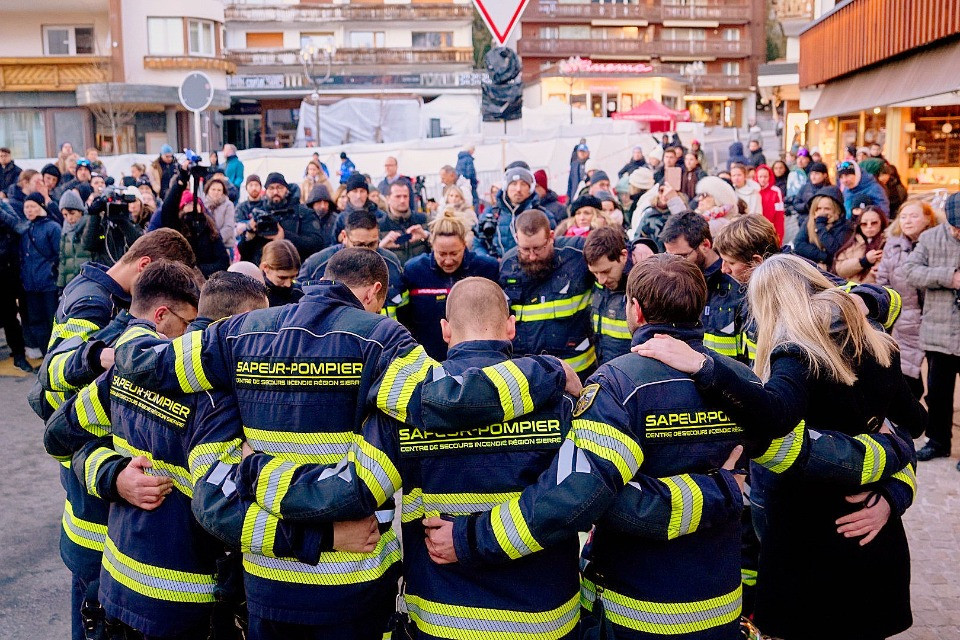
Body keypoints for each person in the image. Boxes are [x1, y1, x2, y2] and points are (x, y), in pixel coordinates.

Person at [110, 247, 576, 639]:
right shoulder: (379, 338)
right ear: (373, 294)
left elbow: (146, 362)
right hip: (354, 584)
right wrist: (550, 370)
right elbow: (446, 399)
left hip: (270, 586)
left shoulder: (240, 333)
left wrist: (113, 344)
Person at [429, 254, 750, 640]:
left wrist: (470, 538)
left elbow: (593, 497)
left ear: (635, 310)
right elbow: (769, 471)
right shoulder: (740, 382)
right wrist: (725, 487)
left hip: (636, 608)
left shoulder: (618, 385)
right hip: (722, 602)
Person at [635, 253, 924, 640]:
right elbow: (917, 423)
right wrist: (891, 489)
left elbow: (775, 413)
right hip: (872, 528)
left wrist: (704, 366)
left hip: (812, 533)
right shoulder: (875, 343)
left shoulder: (797, 352)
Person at [43, 267, 267, 640]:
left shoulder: (133, 368)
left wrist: (112, 474)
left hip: (119, 587)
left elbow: (59, 436)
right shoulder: (221, 399)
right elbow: (225, 512)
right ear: (234, 326)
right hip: (187, 602)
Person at [500, 210, 596, 378]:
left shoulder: (577, 253)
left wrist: (641, 245)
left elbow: (613, 249)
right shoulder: (507, 265)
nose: (531, 256)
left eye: (538, 248)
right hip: (529, 373)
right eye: (524, 249)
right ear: (516, 238)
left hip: (577, 370)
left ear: (551, 236)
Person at [901, 193, 960, 464]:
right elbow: (911, 271)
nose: (958, 232)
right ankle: (937, 441)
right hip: (939, 331)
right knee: (937, 393)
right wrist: (949, 277)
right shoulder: (930, 238)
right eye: (955, 226)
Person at [398, 213, 499, 360]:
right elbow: (404, 317)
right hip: (428, 358)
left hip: (474, 357)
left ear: (464, 245)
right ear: (432, 246)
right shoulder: (414, 270)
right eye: (442, 254)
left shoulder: (486, 268)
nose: (448, 260)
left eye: (454, 253)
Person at [875, 201, 940, 399]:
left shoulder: (940, 244)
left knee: (938, 381)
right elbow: (884, 281)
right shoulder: (893, 246)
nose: (907, 221)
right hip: (906, 319)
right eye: (903, 216)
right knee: (909, 379)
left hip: (937, 319)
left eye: (913, 216)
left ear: (928, 219)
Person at [661, 211, 744, 360]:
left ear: (705, 245)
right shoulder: (675, 280)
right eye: (669, 256)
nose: (674, 264)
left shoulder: (735, 283)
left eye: (682, 257)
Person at [299, 208, 408, 319]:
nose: (366, 250)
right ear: (344, 236)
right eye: (359, 244)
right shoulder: (317, 265)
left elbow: (404, 306)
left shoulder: (391, 262)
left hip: (385, 333)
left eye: (372, 244)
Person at [0, 194, 60, 354]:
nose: (29, 210)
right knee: (36, 322)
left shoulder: (53, 227)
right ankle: (46, 354)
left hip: (49, 285)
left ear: (41, 206)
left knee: (53, 322)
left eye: (33, 206)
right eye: (26, 207)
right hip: (30, 286)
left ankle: (57, 355)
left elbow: (59, 255)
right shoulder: (24, 229)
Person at [158, 164, 230, 277]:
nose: (192, 206)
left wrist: (198, 270)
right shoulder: (176, 225)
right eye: (188, 204)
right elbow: (168, 208)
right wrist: (181, 181)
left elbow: (223, 261)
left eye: (194, 204)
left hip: (205, 280)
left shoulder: (209, 228)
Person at [474, 166, 549, 259]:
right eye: (513, 184)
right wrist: (489, 260)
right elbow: (477, 243)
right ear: (506, 187)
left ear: (530, 188)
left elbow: (551, 245)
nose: (518, 189)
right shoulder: (490, 213)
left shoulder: (542, 215)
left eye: (523, 184)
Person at [584, 227, 633, 364]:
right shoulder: (600, 283)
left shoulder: (643, 288)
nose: (601, 280)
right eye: (595, 273)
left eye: (606, 271)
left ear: (623, 256)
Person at [253, 172, 327, 263]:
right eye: (271, 188)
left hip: (297, 269)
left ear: (287, 190)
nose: (276, 192)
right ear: (266, 191)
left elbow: (317, 243)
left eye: (279, 187)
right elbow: (246, 253)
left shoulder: (303, 213)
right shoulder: (260, 214)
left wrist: (285, 236)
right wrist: (249, 235)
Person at [793, 186, 854, 270]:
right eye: (818, 208)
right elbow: (798, 244)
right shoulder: (809, 221)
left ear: (837, 210)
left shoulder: (846, 226)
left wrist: (820, 227)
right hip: (813, 267)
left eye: (827, 209)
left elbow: (836, 250)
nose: (822, 212)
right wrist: (823, 257)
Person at [379, 181, 430, 266]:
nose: (402, 200)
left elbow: (440, 249)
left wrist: (426, 236)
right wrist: (381, 247)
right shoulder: (380, 226)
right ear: (388, 199)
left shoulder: (423, 219)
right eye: (398, 196)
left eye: (405, 196)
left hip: (420, 273)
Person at [832, 206, 888, 283]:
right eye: (864, 224)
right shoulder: (853, 241)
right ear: (859, 225)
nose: (869, 227)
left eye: (874, 223)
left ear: (882, 222)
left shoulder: (889, 242)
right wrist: (864, 261)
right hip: (852, 290)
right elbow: (840, 269)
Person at [632, 184, 687, 252]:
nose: (664, 195)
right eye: (661, 191)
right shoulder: (649, 212)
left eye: (668, 193)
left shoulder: (678, 213)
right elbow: (637, 236)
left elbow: (685, 227)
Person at [56, 190, 92, 290]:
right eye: (65, 215)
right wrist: (61, 284)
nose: (69, 218)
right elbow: (63, 260)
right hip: (70, 283)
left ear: (80, 211)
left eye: (72, 213)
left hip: (87, 281)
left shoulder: (89, 226)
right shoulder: (65, 230)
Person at [260, 238, 304, 306]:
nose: (288, 284)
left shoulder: (300, 293)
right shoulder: (254, 297)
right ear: (266, 267)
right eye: (282, 278)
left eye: (293, 277)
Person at [203, 176, 237, 257]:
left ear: (223, 192)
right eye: (213, 189)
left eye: (219, 190)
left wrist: (216, 240)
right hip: (207, 247)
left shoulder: (228, 205)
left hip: (225, 245)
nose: (216, 192)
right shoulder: (203, 205)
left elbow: (229, 226)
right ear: (208, 190)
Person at [755, 164, 786, 242]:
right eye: (760, 177)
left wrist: (779, 236)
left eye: (765, 177)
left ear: (769, 177)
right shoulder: (754, 191)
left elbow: (779, 215)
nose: (762, 179)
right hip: (756, 228)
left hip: (771, 228)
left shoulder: (776, 191)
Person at [304, 183, 339, 250]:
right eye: (319, 202)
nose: (323, 206)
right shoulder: (305, 221)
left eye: (325, 202)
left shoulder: (336, 220)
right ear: (312, 203)